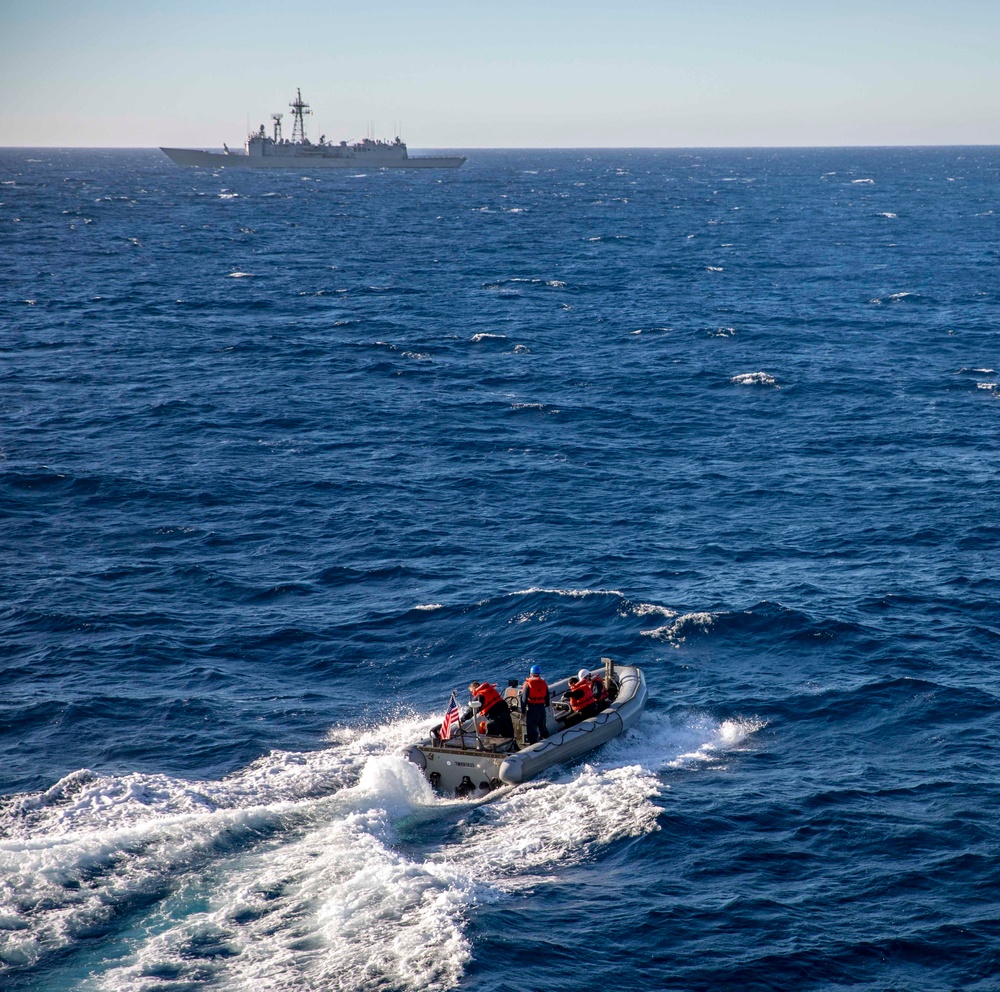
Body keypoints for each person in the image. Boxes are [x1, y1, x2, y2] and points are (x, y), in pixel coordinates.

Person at [520, 664, 550, 744]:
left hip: (532, 708)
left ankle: (533, 743)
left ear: (530, 673)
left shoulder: (528, 684)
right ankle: (546, 738)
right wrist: (547, 705)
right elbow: (547, 695)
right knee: (542, 725)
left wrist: (523, 711)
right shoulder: (543, 683)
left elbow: (524, 698)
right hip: (541, 708)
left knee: (531, 726)